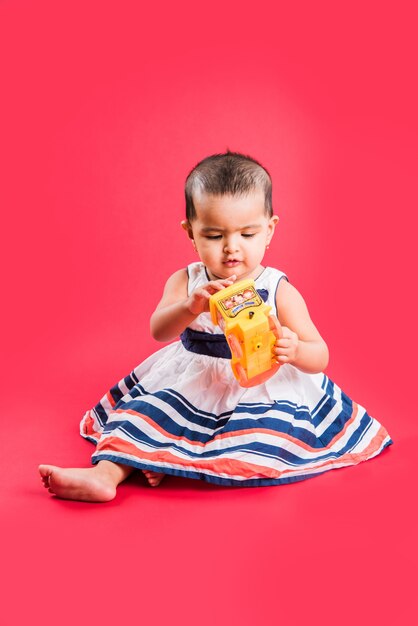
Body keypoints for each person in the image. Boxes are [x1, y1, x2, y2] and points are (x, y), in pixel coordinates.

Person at [39, 151, 392, 501]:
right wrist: (190, 307)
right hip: (194, 379)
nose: (231, 249)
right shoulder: (187, 280)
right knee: (143, 416)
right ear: (190, 233)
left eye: (248, 234)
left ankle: (175, 459)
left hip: (259, 384)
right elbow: (159, 331)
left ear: (270, 230)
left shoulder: (276, 288)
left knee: (266, 435)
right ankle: (106, 475)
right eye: (213, 236)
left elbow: (321, 355)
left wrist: (296, 349)